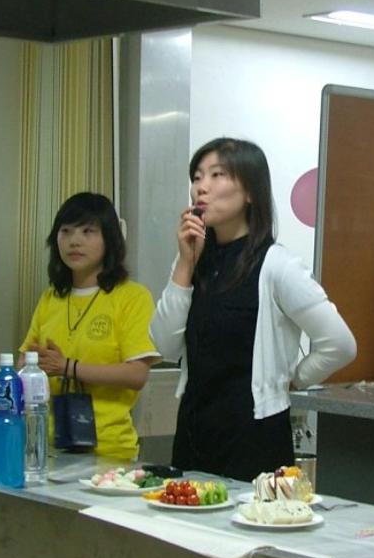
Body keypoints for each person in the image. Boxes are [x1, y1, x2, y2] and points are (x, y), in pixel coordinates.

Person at [150, 136, 356, 481]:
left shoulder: (277, 265)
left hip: (254, 436)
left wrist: (292, 378)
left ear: (249, 191)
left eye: (217, 175)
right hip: (194, 431)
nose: (201, 187)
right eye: (197, 177)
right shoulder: (194, 258)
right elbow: (165, 346)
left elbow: (340, 344)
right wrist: (185, 265)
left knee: (249, 516)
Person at [20, 192, 160, 461]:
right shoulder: (51, 298)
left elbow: (136, 375)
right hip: (46, 447)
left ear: (110, 239)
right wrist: (33, 365)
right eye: (66, 231)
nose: (74, 241)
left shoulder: (132, 297)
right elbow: (24, 362)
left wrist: (68, 367)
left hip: (110, 451)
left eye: (88, 231)